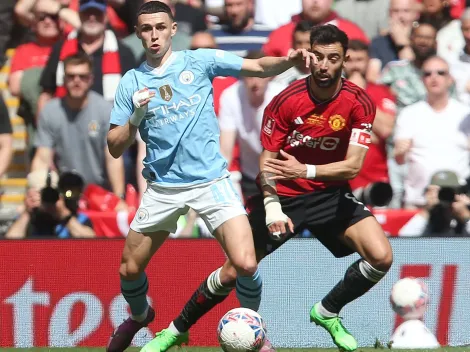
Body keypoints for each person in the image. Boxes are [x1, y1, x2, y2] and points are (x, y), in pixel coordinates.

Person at [155, 24, 393, 352]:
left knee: (381, 256)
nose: (324, 65)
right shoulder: (285, 101)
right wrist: (272, 206)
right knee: (235, 269)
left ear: (346, 60)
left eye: (333, 58)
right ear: (309, 57)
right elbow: (266, 164)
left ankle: (327, 312)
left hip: (330, 194)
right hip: (284, 197)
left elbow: (353, 165)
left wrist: (306, 169)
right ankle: (175, 331)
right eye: (319, 57)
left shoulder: (359, 102)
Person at [105, 2, 316, 352]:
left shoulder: (199, 61)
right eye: (146, 29)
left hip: (212, 182)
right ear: (138, 33)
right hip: (163, 189)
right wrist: (136, 116)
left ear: (174, 29)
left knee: (246, 263)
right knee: (129, 270)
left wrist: (288, 62)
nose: (154, 35)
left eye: (160, 27)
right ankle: (141, 316)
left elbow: (259, 66)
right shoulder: (133, 81)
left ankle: (253, 330)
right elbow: (114, 146)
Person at [31, 53, 126, 200]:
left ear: (91, 80)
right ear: (63, 80)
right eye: (71, 76)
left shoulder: (106, 111)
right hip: (62, 193)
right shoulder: (50, 111)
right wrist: (38, 192)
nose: (76, 81)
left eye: (83, 76)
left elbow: (113, 158)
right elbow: (42, 159)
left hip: (99, 193)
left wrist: (118, 197)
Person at [393, 56, 470, 208]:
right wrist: (400, 152)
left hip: (458, 202)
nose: (434, 77)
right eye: (428, 74)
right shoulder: (409, 114)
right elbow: (399, 160)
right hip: (419, 202)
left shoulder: (465, 114)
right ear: (422, 80)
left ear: (450, 79)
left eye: (440, 73)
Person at [219, 51, 286, 200]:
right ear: (242, 75)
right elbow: (225, 150)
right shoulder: (230, 96)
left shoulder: (281, 95)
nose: (255, 81)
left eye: (261, 75)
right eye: (250, 75)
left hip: (280, 174)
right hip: (251, 175)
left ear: (270, 76)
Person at [5, 169, 95, 238]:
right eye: (42, 194)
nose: (47, 198)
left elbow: (92, 244)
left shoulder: (79, 218)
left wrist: (64, 215)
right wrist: (27, 213)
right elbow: (8, 247)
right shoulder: (27, 219)